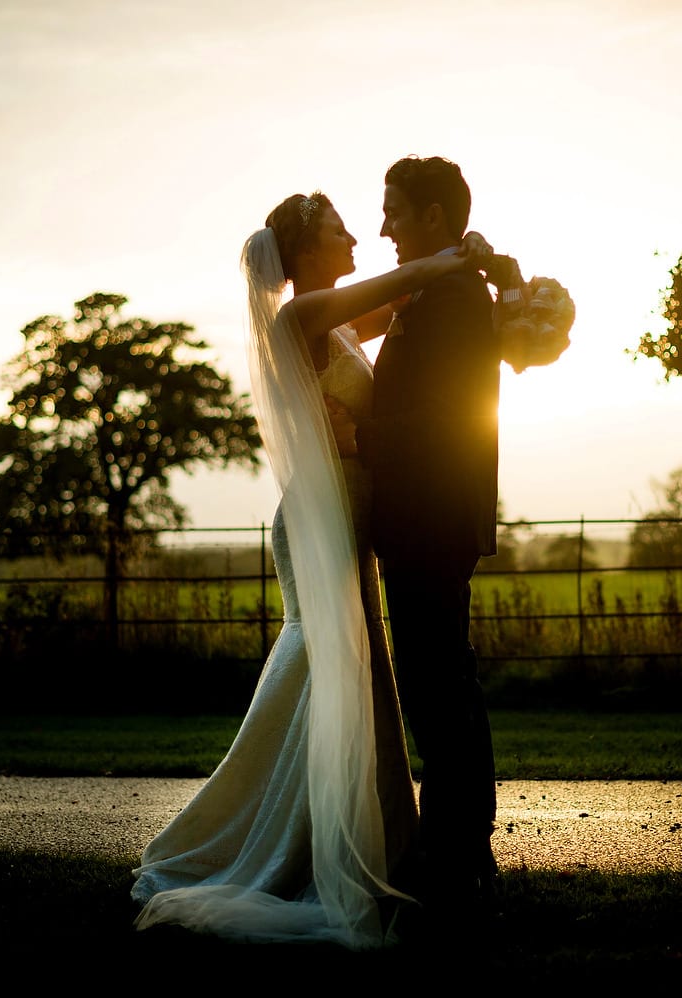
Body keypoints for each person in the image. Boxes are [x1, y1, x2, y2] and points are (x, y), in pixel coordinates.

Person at [129, 190, 494, 948]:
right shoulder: (300, 320)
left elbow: (410, 311)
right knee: (321, 661)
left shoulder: (338, 326)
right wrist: (450, 255)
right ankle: (256, 838)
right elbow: (401, 288)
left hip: (350, 521)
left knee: (355, 673)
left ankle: (363, 840)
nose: (358, 234)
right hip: (317, 524)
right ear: (305, 254)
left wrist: (483, 280)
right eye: (339, 229)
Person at [354, 156, 516, 924]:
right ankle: (459, 858)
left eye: (393, 210)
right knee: (441, 686)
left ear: (432, 215)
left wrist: (357, 435)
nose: (382, 227)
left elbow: (447, 419)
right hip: (424, 517)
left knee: (440, 691)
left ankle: (458, 863)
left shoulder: (451, 298)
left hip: (430, 517)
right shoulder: (432, 291)